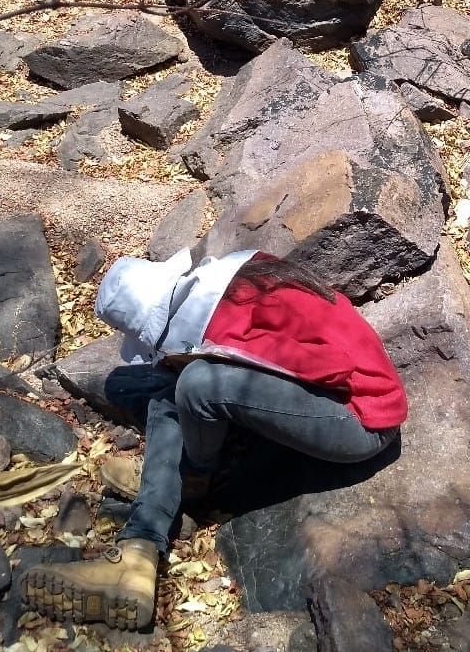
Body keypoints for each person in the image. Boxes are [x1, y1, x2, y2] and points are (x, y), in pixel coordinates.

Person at [22, 247, 408, 630]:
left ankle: (191, 483)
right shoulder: (236, 283)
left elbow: (333, 368)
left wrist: (208, 395)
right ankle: (136, 552)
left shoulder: (226, 331)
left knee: (196, 384)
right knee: (172, 391)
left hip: (362, 418)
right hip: (340, 400)